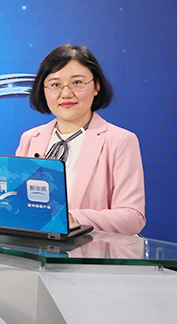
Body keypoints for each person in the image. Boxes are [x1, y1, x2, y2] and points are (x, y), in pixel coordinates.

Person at [16, 44, 145, 235]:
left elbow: (133, 218)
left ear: (96, 86)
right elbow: (19, 204)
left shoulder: (120, 141)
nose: (66, 94)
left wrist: (73, 218)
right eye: (55, 85)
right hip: (36, 247)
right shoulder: (30, 139)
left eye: (77, 83)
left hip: (92, 250)